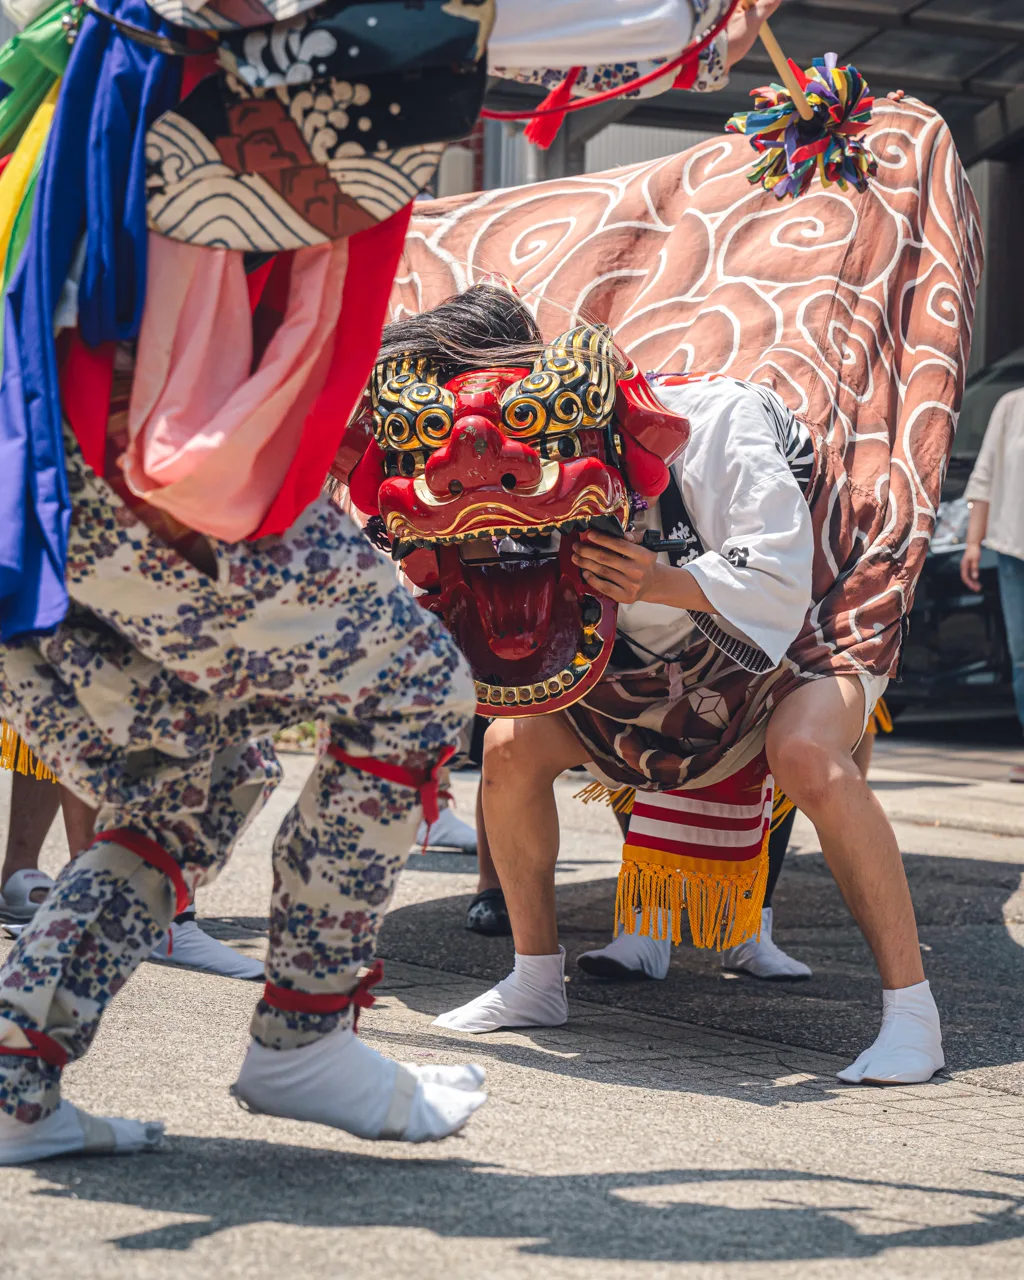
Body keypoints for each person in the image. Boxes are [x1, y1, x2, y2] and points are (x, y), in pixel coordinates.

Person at [391, 285, 968, 1088]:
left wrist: (658, 580)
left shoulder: (718, 419)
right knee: (510, 746)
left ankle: (913, 1014)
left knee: (805, 753)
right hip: (660, 655)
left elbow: (777, 576)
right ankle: (534, 979)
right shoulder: (488, 472)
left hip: (810, 608)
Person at [961, 386, 1024, 782]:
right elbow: (983, 476)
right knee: (1022, 659)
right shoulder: (1011, 406)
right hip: (1013, 551)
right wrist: (973, 543)